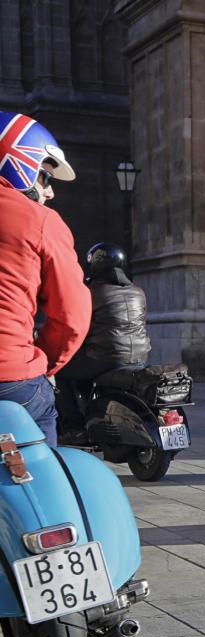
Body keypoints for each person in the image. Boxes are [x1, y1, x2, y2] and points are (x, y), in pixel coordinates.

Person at [0, 111, 91, 445]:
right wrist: (42, 365)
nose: (49, 192)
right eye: (45, 177)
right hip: (10, 377)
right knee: (41, 479)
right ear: (16, 161)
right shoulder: (39, 220)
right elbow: (72, 318)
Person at [55, 242, 151, 441]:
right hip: (140, 356)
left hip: (105, 357)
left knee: (61, 374)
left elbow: (77, 324)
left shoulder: (91, 293)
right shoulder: (138, 292)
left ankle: (75, 428)